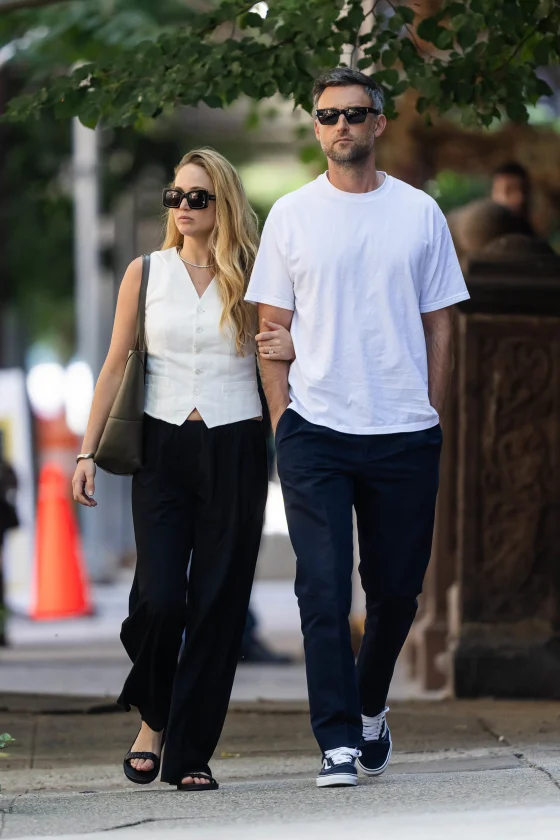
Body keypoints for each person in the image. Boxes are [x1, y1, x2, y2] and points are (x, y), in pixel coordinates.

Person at [248, 67, 470, 788]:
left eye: (355, 113)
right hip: (316, 427)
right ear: (316, 128)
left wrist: (430, 409)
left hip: (404, 428)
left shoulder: (419, 213)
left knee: (397, 592)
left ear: (379, 123)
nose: (341, 125)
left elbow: (442, 324)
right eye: (328, 115)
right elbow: (270, 327)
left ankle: (370, 704)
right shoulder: (290, 215)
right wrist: (284, 421)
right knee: (321, 588)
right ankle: (337, 739)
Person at [72, 148, 294, 791]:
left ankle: (190, 751)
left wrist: (292, 443)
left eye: (198, 196)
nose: (185, 207)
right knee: (162, 598)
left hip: (236, 446)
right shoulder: (146, 272)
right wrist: (86, 452)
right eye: (176, 196)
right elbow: (116, 365)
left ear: (223, 202)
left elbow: (272, 365)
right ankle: (154, 716)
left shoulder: (254, 274)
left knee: (219, 603)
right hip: (163, 449)